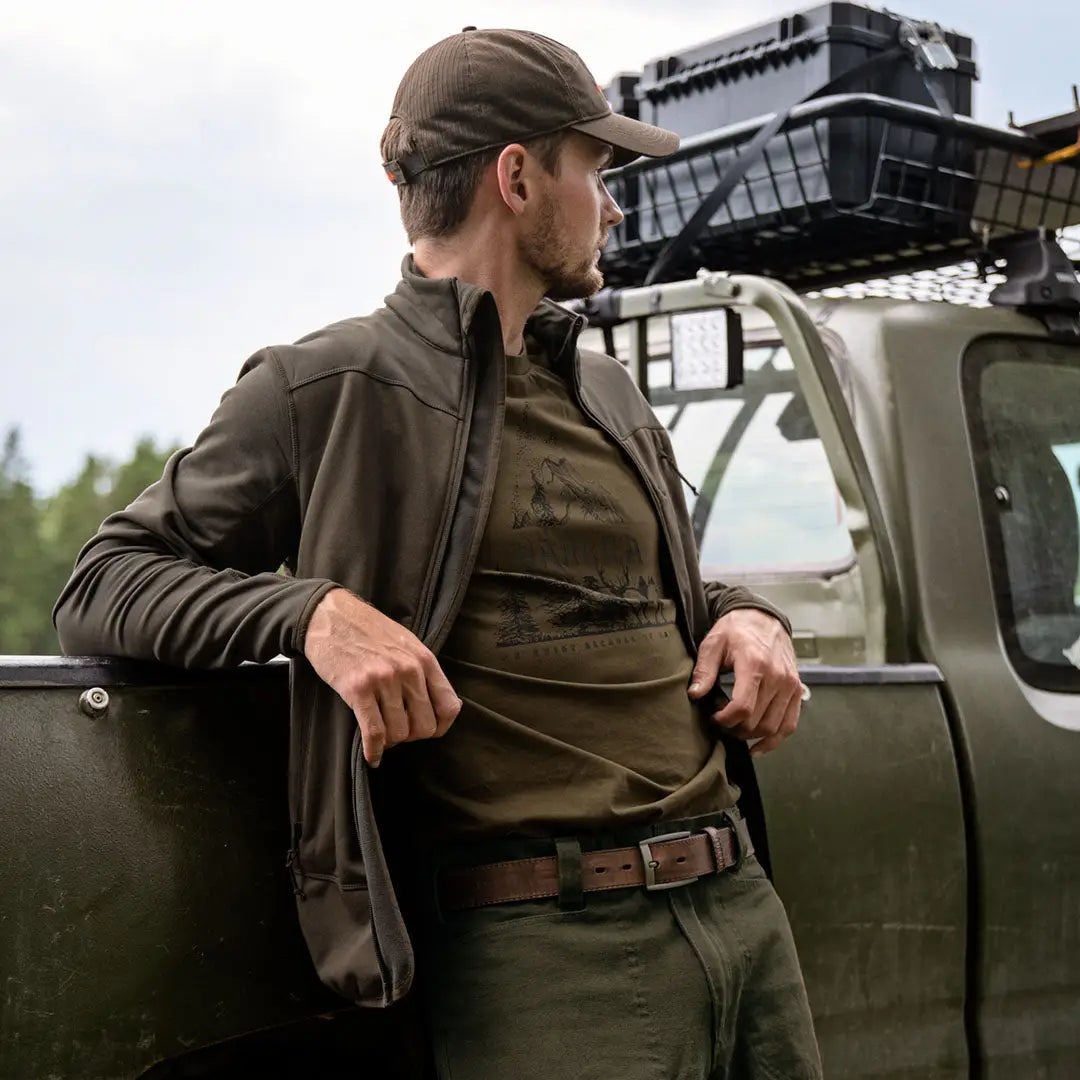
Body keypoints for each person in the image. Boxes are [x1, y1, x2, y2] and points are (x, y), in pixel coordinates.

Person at [54, 27, 822, 1080]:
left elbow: (638, 591)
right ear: (516, 177)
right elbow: (105, 581)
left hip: (741, 908)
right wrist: (309, 614)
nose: (613, 204)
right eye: (595, 169)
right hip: (555, 956)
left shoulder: (608, 390)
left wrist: (744, 613)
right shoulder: (325, 385)